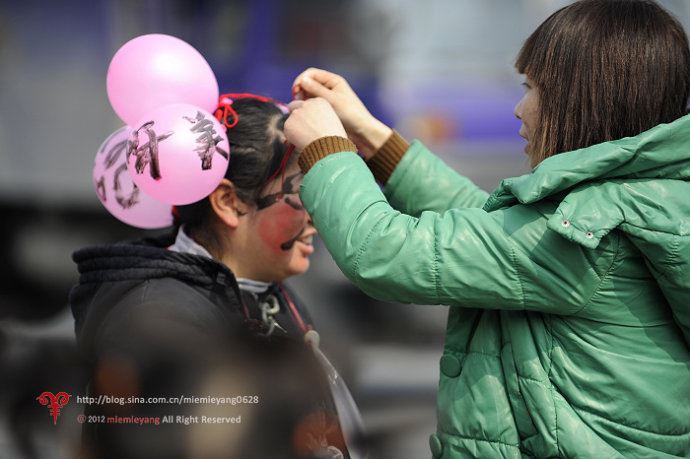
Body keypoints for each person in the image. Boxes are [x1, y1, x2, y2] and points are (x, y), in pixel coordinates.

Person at [283, 0, 690, 457]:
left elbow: (382, 250)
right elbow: (489, 228)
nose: (520, 109)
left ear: (584, 101)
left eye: (532, 88)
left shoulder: (588, 236)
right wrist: (374, 139)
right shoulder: (627, 204)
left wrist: (327, 149)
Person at [70, 96, 363, 459]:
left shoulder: (273, 293)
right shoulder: (157, 320)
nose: (318, 219)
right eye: (304, 192)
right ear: (228, 202)